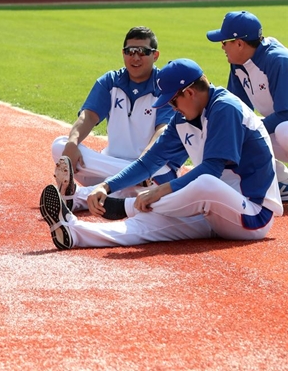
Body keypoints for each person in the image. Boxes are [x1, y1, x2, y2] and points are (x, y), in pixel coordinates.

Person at [39, 58, 283, 250]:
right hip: (210, 212)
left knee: (205, 182)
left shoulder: (225, 108)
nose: (171, 107)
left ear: (189, 92)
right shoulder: (183, 118)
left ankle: (126, 206)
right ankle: (74, 232)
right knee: (147, 223)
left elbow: (211, 169)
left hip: (251, 215)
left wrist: (158, 191)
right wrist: (106, 186)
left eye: (173, 101)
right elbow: (148, 163)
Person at [50, 26, 177, 212]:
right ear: (123, 53)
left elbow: (162, 130)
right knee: (60, 145)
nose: (135, 57)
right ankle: (116, 191)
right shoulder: (110, 81)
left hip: (151, 170)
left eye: (143, 52)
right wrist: (72, 143)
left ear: (155, 55)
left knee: (152, 176)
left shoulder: (163, 86)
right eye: (130, 51)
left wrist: (143, 166)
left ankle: (76, 198)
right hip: (110, 166)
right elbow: (88, 116)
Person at [206, 10, 288, 201]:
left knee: (284, 129)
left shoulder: (279, 61)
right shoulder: (239, 62)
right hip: (280, 125)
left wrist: (248, 131)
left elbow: (285, 113)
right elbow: (236, 108)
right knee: (232, 131)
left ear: (240, 43)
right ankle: (283, 183)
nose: (222, 47)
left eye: (225, 42)